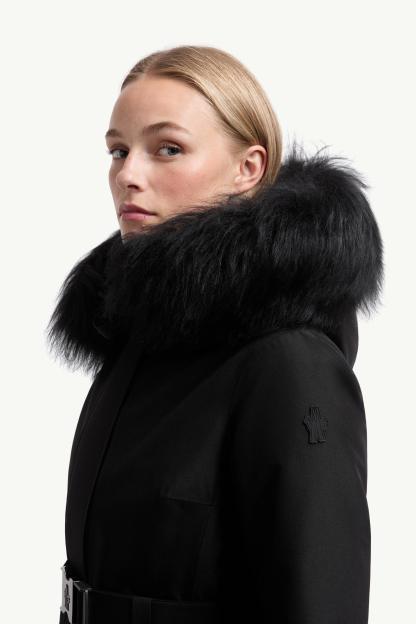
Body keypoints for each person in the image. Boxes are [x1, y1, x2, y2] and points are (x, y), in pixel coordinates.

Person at [46, 45, 384, 624]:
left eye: (168, 149)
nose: (128, 175)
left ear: (248, 169)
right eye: (118, 150)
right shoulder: (133, 338)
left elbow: (321, 602)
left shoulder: (289, 363)